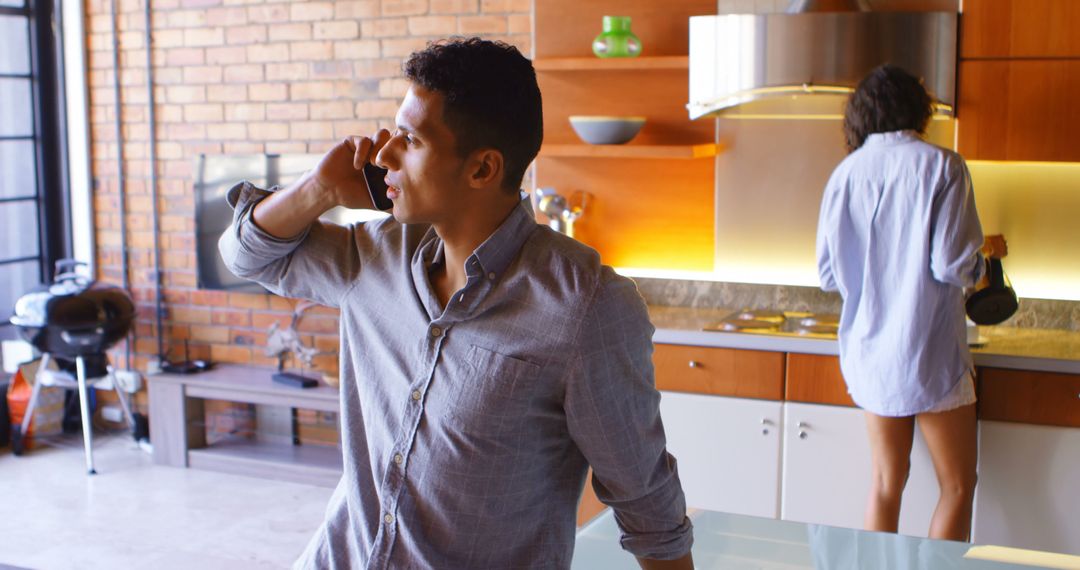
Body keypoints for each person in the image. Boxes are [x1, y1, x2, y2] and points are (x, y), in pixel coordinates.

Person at [219, 37, 694, 569]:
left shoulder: (586, 307)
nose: (382, 155)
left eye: (410, 140)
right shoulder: (373, 256)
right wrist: (319, 189)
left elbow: (648, 508)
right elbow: (245, 256)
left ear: (483, 169)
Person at [815, 64, 1007, 541]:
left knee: (885, 482)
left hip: (870, 353)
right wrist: (985, 259)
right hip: (928, 352)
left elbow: (827, 275)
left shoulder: (845, 174)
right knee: (959, 486)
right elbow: (953, 266)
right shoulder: (943, 165)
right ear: (918, 109)